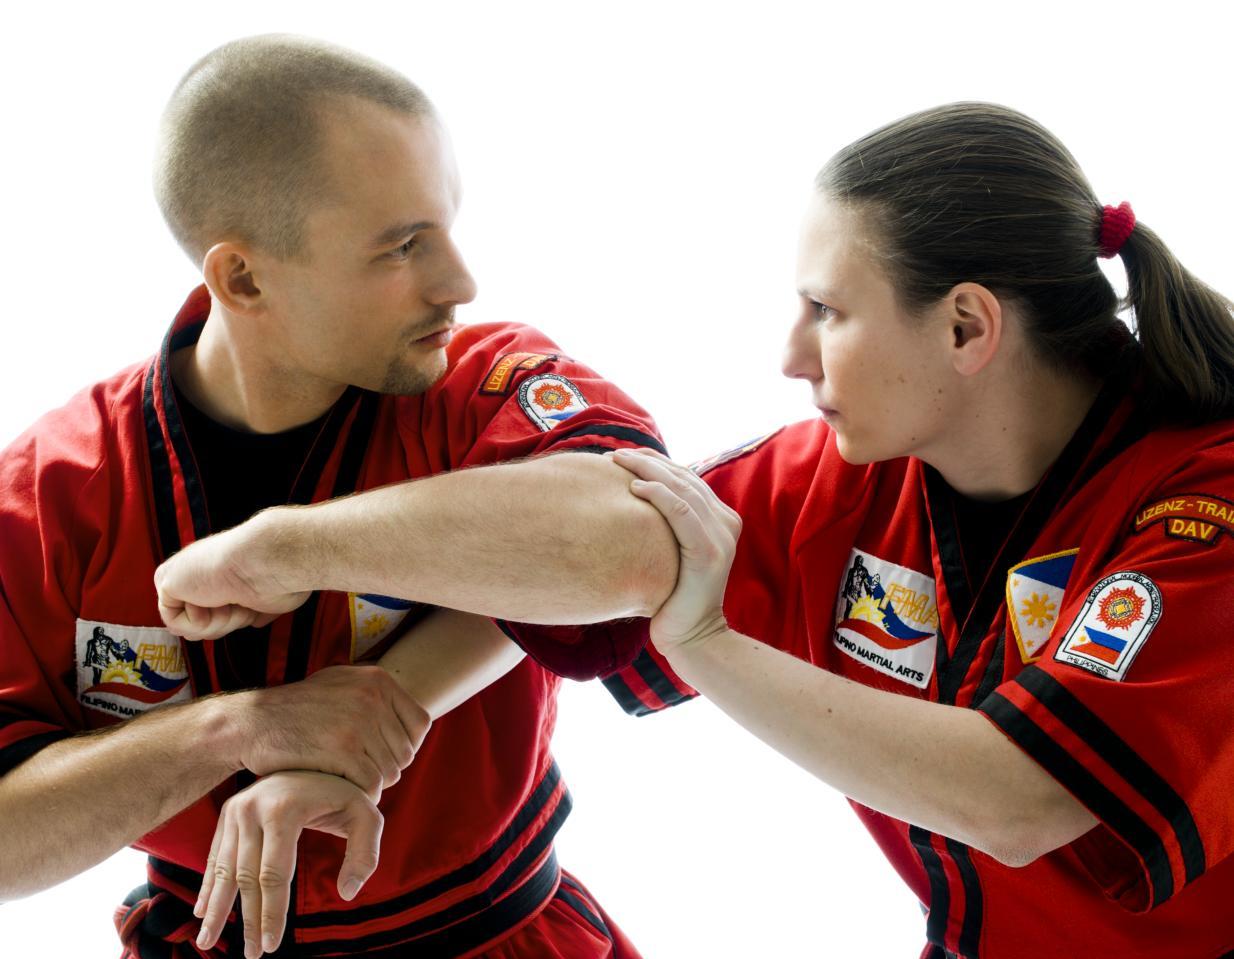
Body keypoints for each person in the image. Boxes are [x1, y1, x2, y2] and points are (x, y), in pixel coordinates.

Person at [0, 34, 678, 959]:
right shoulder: (52, 489)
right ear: (243, 277)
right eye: (403, 246)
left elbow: (642, 542)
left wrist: (287, 547)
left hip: (506, 935)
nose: (460, 282)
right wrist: (234, 731)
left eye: (447, 226)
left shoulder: (482, 381)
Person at [601, 103, 1234, 958]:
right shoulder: (850, 471)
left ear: (965, 326)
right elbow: (606, 536)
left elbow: (1018, 798)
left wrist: (706, 644)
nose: (791, 357)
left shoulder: (1208, 502)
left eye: (827, 309)